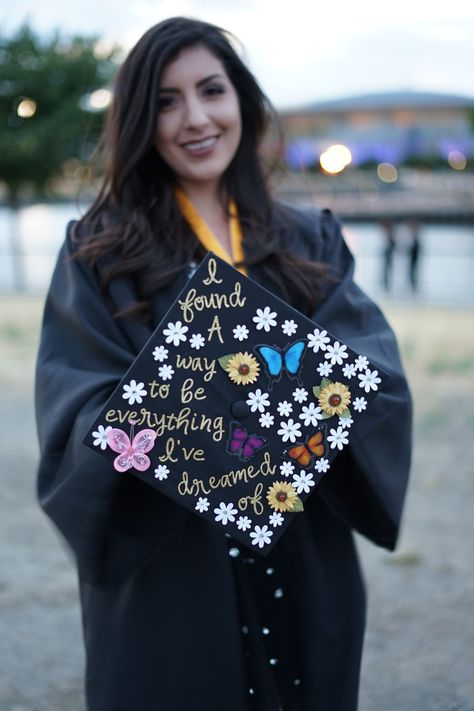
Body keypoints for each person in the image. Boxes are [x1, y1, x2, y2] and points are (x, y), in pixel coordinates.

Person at [35, 17, 412, 711]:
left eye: (212, 90)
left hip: (304, 550)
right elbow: (81, 413)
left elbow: (376, 382)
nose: (196, 118)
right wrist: (274, 393)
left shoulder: (308, 240)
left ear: (243, 100)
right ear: (139, 120)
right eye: (168, 100)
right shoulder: (100, 254)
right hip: (173, 567)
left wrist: (201, 391)